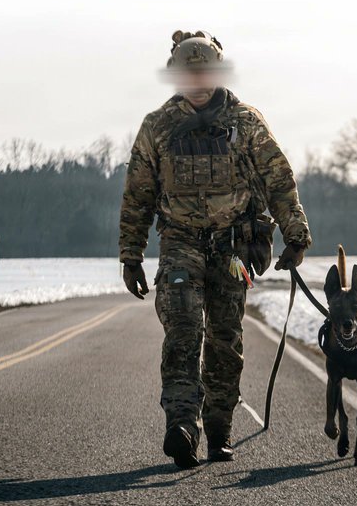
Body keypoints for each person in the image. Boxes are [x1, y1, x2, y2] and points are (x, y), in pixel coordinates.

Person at [118, 30, 312, 468]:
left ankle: (220, 428)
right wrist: (131, 253)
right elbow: (138, 194)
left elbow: (278, 179)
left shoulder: (246, 123)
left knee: (225, 339)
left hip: (232, 248)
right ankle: (182, 425)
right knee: (183, 330)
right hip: (180, 242)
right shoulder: (158, 128)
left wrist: (295, 234)